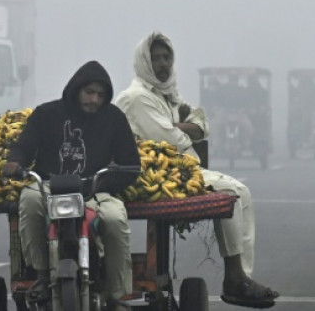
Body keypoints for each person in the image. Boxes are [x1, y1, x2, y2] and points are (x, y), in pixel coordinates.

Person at [114, 32, 280, 308]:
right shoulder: (136, 97)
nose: (163, 63)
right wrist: (188, 128)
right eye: (155, 58)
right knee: (232, 192)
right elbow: (173, 140)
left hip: (179, 168)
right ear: (144, 62)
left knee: (243, 192)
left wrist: (187, 127)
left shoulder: (166, 94)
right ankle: (235, 278)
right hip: (154, 174)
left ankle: (239, 276)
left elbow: (200, 123)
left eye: (167, 57)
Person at [3, 60, 142, 308]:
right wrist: (15, 162)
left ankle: (117, 293)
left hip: (95, 190)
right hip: (50, 187)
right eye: (89, 92)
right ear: (76, 89)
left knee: (116, 219)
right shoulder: (46, 114)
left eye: (100, 95)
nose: (94, 100)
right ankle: (42, 273)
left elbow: (130, 164)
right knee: (30, 198)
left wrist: (102, 183)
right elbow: (24, 146)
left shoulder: (114, 118)